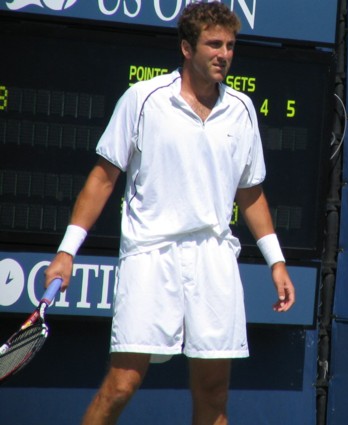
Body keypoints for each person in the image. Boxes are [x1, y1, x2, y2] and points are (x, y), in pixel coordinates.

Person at [44, 2, 295, 424]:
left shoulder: (242, 109)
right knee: (122, 384)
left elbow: (250, 192)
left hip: (213, 259)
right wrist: (67, 251)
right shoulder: (142, 100)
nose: (224, 54)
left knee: (213, 392)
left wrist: (277, 262)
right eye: (214, 44)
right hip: (150, 255)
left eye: (230, 45)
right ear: (186, 48)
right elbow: (103, 179)